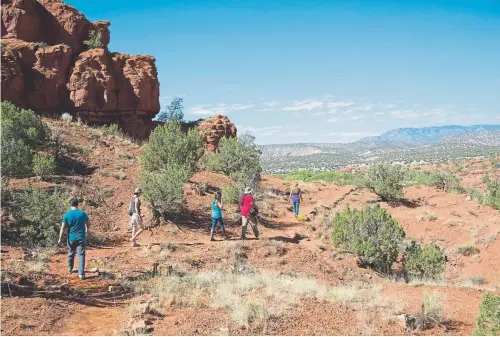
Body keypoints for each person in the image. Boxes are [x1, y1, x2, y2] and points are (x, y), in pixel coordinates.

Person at [58, 198, 90, 280]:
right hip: (81, 237)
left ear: (70, 205)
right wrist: (87, 230)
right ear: (77, 204)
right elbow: (88, 223)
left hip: (71, 238)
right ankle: (81, 274)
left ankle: (70, 268)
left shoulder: (67, 215)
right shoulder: (83, 214)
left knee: (70, 254)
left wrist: (60, 239)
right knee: (81, 255)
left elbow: (63, 227)